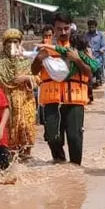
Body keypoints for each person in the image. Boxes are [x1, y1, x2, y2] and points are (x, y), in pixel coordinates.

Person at [31, 12, 93, 165]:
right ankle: (60, 165)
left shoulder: (80, 47)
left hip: (74, 100)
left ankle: (75, 171)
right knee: (52, 137)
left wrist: (77, 59)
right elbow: (33, 71)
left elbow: (90, 73)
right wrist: (39, 58)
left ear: (71, 28)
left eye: (66, 28)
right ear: (54, 29)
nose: (63, 32)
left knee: (74, 138)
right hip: (52, 100)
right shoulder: (46, 48)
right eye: (59, 29)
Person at [0, 28, 39, 161]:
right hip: (6, 100)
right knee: (10, 132)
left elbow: (39, 78)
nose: (13, 45)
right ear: (4, 43)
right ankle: (12, 163)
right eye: (10, 42)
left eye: (16, 41)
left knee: (26, 129)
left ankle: (27, 160)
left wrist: (25, 78)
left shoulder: (27, 58)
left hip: (25, 99)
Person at [85, 20, 105, 88]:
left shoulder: (100, 35)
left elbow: (104, 46)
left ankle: (99, 79)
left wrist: (102, 49)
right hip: (89, 56)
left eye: (92, 27)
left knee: (97, 63)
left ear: (95, 27)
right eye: (90, 27)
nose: (91, 29)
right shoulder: (86, 36)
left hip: (98, 56)